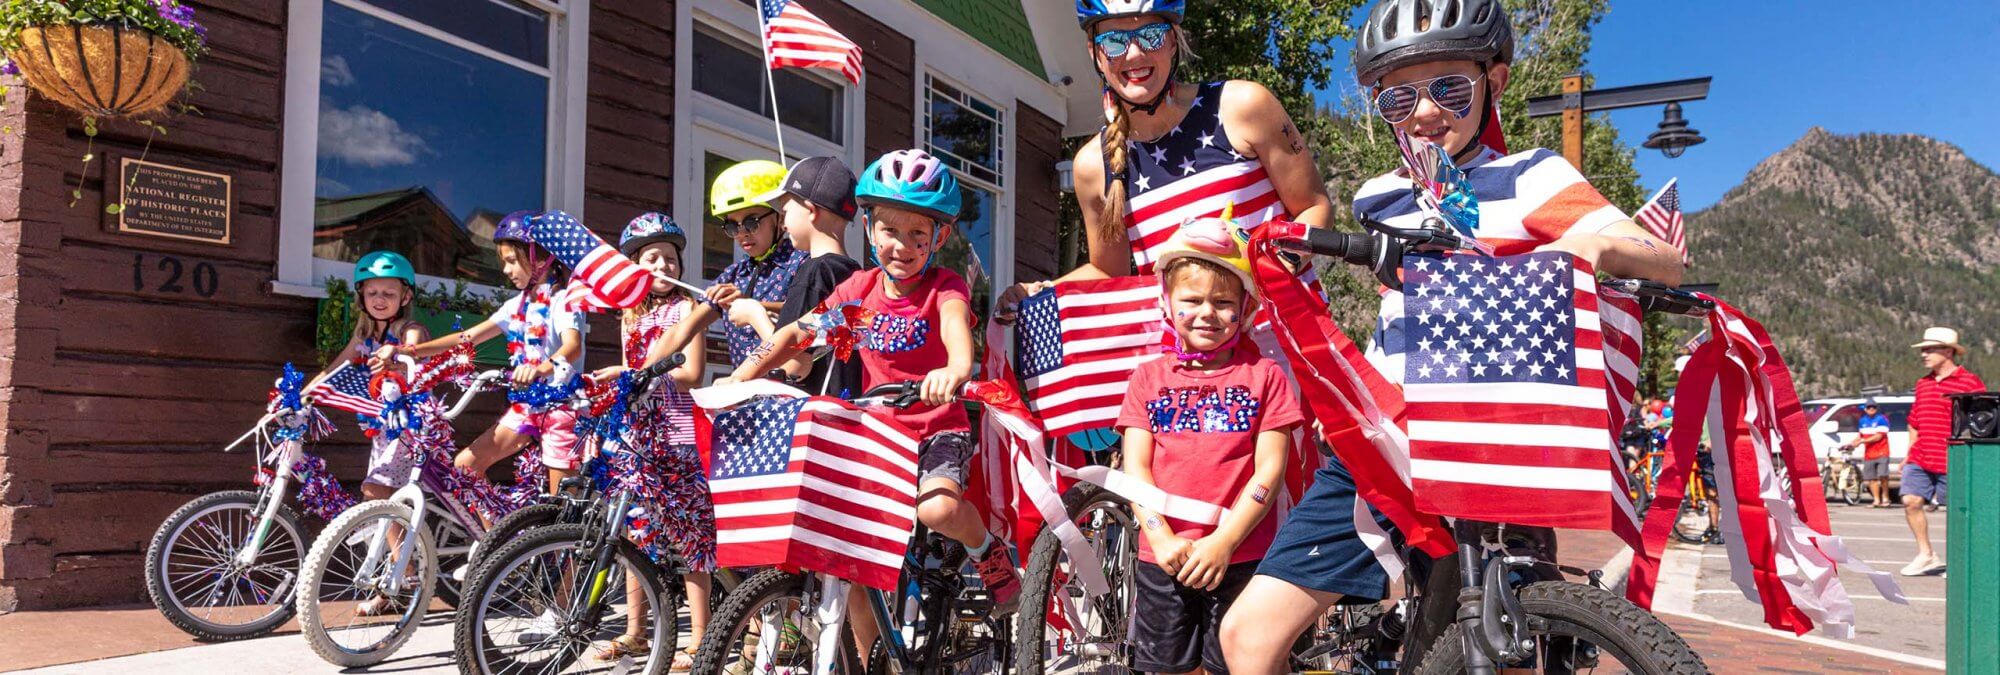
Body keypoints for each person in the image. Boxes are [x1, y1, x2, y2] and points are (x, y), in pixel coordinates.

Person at [1220, 2, 1684, 672]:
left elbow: (1660, 254)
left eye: (1450, 88)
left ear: (1493, 81)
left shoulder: (1532, 176)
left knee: (1504, 647)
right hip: (1388, 438)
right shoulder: (1382, 194)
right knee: (1248, 636)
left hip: (1494, 442)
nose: (1425, 112)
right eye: (1399, 96)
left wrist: (1592, 244)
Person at [716, 149, 1015, 666]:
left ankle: (986, 549)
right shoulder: (858, 289)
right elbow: (796, 335)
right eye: (888, 230)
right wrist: (740, 379)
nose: (900, 245)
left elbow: (954, 329)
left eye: (917, 234)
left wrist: (954, 370)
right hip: (876, 433)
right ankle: (872, 659)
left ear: (939, 238)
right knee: (854, 561)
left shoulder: (945, 286)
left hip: (934, 430)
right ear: (870, 228)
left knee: (938, 509)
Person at [995, 0, 1336, 315]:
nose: (1133, 54)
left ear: (1174, 41)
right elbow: (1107, 272)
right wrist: (1042, 291)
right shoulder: (1092, 166)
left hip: (1291, 344)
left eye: (1151, 35)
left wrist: (1264, 279)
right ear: (1094, 53)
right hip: (1193, 367)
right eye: (1114, 41)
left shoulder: (1242, 105)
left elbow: (1314, 207)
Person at [1119, 218, 1300, 675]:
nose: (1207, 313)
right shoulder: (1147, 379)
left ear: (1247, 309)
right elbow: (1136, 468)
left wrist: (1223, 542)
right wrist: (1159, 536)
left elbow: (1269, 473)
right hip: (1165, 557)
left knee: (1237, 665)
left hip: (1240, 555)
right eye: (1192, 300)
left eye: (1223, 303)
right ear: (1167, 303)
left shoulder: (1267, 378)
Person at [378, 210, 588, 492]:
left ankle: (556, 536)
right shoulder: (516, 306)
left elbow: (572, 346)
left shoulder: (563, 300)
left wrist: (539, 369)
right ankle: (499, 537)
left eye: (512, 261)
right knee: (466, 465)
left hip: (561, 406)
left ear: (540, 258)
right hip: (527, 404)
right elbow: (469, 336)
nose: (505, 270)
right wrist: (410, 350)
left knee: (562, 498)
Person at [587, 213, 716, 667]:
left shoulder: (687, 310)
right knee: (637, 533)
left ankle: (701, 636)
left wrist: (637, 374)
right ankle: (636, 631)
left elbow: (692, 373)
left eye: (671, 258)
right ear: (634, 266)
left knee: (691, 535)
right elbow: (629, 377)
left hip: (678, 436)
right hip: (637, 436)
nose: (663, 266)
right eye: (651, 258)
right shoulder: (630, 316)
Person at [318, 251, 430, 617]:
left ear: (406, 297)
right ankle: (398, 578)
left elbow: (414, 348)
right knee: (385, 503)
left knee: (376, 492)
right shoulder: (365, 334)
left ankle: (405, 576)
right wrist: (303, 393)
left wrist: (396, 352)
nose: (380, 299)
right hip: (383, 430)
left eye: (389, 293)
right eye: (373, 292)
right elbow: (338, 367)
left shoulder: (406, 331)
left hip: (409, 427)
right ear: (362, 296)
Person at [640, 160, 810, 380]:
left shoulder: (802, 262)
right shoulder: (734, 275)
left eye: (751, 223)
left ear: (779, 218)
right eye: (731, 226)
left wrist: (754, 307)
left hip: (793, 391)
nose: (742, 233)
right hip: (745, 391)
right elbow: (683, 329)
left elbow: (810, 313)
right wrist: (640, 374)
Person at [758, 156, 865, 395]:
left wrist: (756, 318)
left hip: (816, 419)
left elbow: (794, 364)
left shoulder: (813, 273)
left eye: (785, 212)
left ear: (810, 210)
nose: (783, 224)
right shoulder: (858, 276)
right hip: (849, 412)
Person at [1900, 326, 1984, 576]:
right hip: (1921, 455)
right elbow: (1914, 420)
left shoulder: (1969, 382)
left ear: (1948, 351)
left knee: (1957, 511)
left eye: (1930, 350)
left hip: (1953, 458)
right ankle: (1926, 555)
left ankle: (1959, 561)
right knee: (1910, 501)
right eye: (1923, 350)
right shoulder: (1922, 383)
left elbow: (1982, 420)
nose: (1924, 354)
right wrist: (1908, 453)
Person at [1839, 400, 1894, 508]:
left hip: (1882, 452)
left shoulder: (1882, 419)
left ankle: (1886, 497)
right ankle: (1876, 500)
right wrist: (1852, 444)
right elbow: (1860, 436)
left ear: (1876, 408)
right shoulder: (1862, 421)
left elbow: (1879, 436)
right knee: (1871, 478)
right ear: (1865, 409)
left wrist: (1862, 441)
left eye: (1873, 407)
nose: (1871, 409)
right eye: (1869, 407)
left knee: (1883, 476)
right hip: (1869, 454)